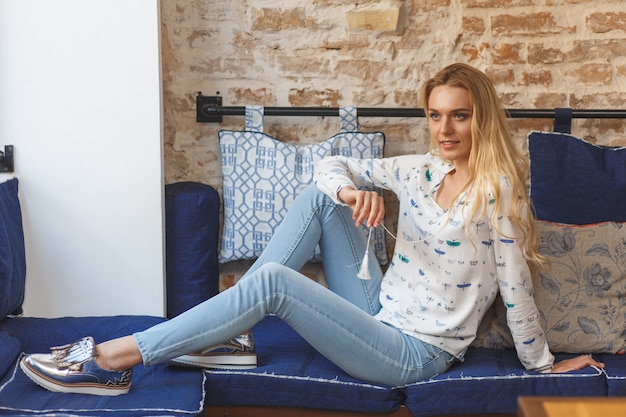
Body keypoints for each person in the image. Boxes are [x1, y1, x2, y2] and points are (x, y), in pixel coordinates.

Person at [21, 63, 603, 396]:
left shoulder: (497, 197)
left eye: (460, 114)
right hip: (380, 306)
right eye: (435, 114)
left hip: (413, 351)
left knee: (273, 281)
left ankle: (110, 360)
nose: (444, 128)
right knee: (317, 197)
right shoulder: (420, 169)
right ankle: (231, 336)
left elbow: (517, 287)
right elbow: (334, 168)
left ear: (482, 117)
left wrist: (544, 365)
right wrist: (352, 192)